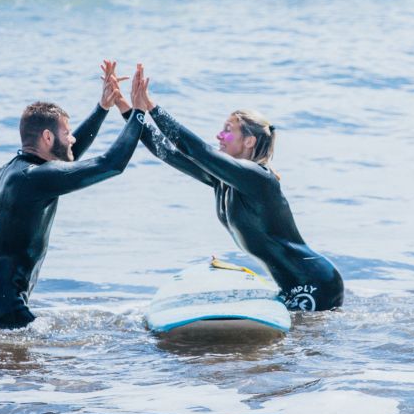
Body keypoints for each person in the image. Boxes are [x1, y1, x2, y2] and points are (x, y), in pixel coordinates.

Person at [116, 64, 344, 312]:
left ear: (249, 141)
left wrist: (151, 106)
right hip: (291, 283)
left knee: (301, 348)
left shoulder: (259, 179)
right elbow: (167, 152)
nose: (218, 136)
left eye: (227, 130)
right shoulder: (222, 180)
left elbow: (197, 150)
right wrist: (127, 109)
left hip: (315, 283)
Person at [0, 62, 150, 328]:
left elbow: (68, 160)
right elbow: (110, 164)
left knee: (0, 367)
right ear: (47, 137)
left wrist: (102, 108)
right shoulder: (35, 178)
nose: (72, 139)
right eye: (67, 133)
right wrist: (138, 112)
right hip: (3, 303)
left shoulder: (11, 172)